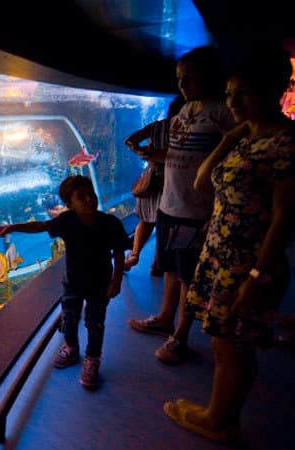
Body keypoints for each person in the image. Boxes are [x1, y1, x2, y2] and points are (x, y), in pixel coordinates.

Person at [163, 48, 294, 442]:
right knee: (223, 340)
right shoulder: (245, 136)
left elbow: (285, 218)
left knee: (235, 344)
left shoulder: (286, 145)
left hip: (249, 262)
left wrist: (257, 274)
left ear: (276, 91)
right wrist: (233, 135)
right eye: (230, 93)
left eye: (244, 94)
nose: (233, 102)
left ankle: (221, 422)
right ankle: (219, 413)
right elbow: (204, 181)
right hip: (221, 254)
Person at [127, 46, 235, 365]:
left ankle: (181, 336)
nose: (182, 84)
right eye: (179, 78)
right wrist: (153, 156)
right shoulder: (185, 112)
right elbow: (181, 155)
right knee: (170, 268)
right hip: (169, 206)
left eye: (189, 78)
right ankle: (164, 319)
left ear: (211, 77)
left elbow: (227, 163)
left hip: (196, 211)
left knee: (189, 276)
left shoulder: (224, 114)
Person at [0, 175, 129, 390]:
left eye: (90, 194)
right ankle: (71, 348)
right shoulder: (67, 221)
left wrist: (116, 281)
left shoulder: (110, 223)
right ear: (69, 205)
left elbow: (119, 253)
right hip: (73, 283)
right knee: (69, 319)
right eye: (81, 197)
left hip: (100, 284)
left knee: (95, 324)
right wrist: (14, 227)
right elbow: (41, 226)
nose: (89, 199)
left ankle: (92, 359)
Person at [124, 96, 185, 275]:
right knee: (166, 223)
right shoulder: (186, 129)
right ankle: (158, 263)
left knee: (146, 220)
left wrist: (143, 153)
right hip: (174, 180)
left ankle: (134, 256)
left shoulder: (157, 126)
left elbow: (130, 140)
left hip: (152, 179)